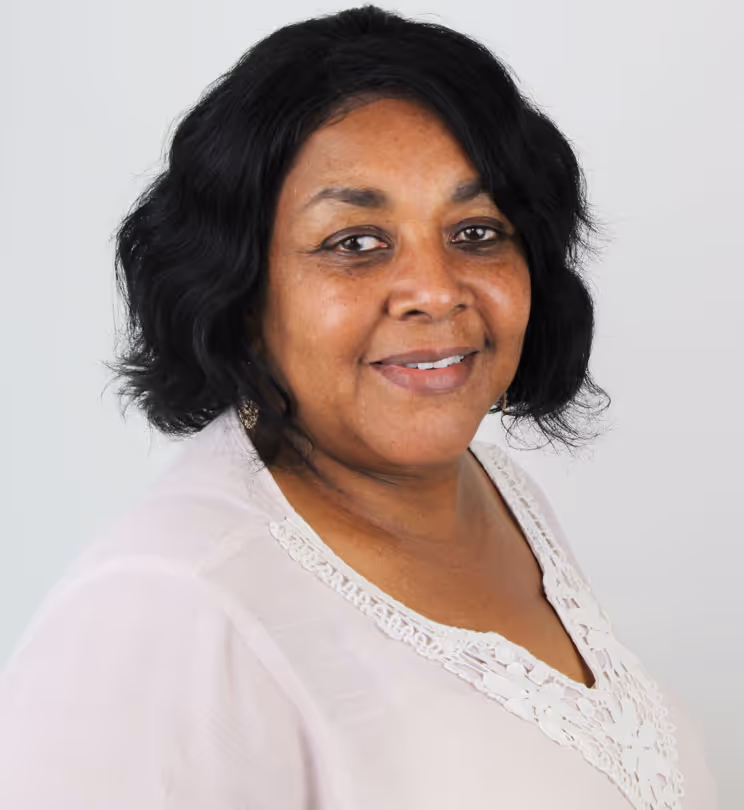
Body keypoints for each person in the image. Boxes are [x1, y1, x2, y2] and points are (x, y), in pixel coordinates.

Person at [0, 5, 718, 809]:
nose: (435, 291)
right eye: (356, 243)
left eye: (477, 232)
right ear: (238, 289)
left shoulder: (499, 493)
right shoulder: (165, 608)